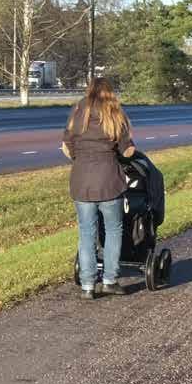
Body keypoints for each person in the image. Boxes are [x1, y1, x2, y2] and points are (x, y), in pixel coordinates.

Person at [62, 78, 135, 301]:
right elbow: (127, 150)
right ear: (109, 93)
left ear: (89, 90)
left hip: (82, 181)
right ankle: (110, 280)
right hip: (109, 181)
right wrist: (131, 151)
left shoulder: (78, 111)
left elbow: (67, 146)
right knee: (113, 230)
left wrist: (79, 157)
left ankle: (87, 285)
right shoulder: (114, 113)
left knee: (86, 233)